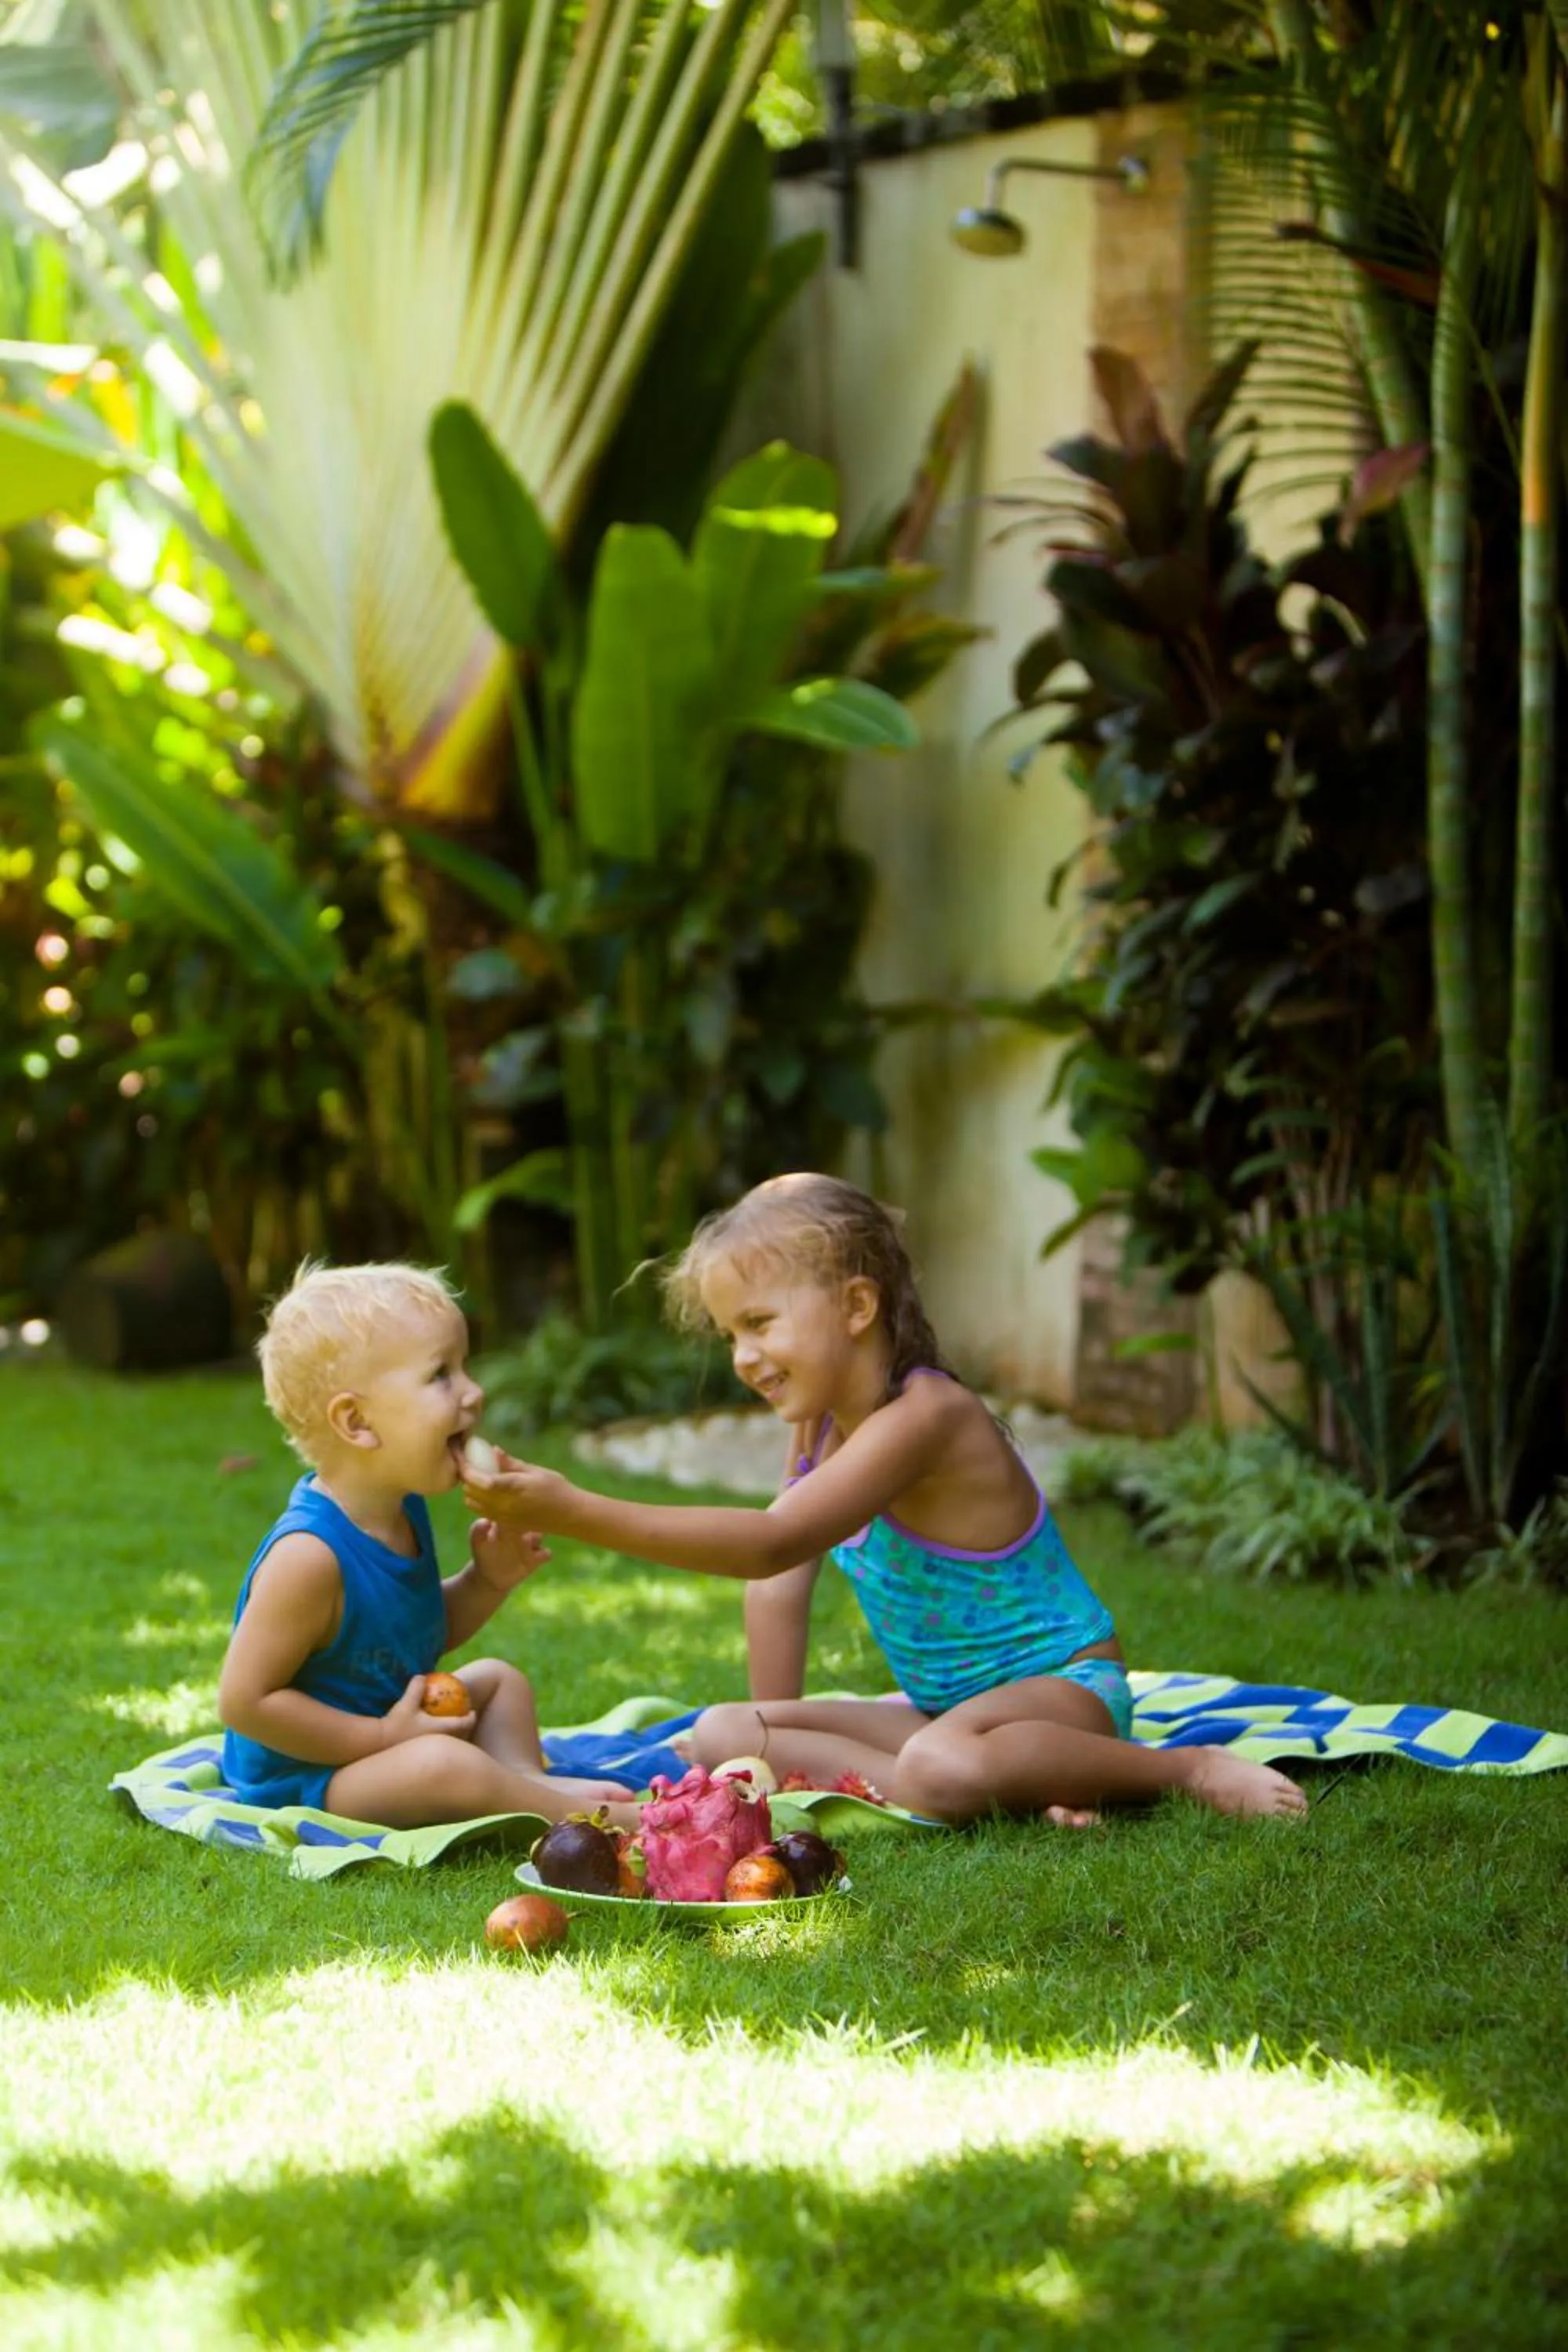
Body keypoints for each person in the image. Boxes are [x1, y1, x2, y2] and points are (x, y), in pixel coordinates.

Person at [463, 1174, 1308, 1827]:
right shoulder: (820, 1425)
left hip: (1062, 1692)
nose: (742, 1357)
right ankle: (1014, 1788)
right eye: (729, 1335)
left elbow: (769, 1542)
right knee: (723, 1730)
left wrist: (570, 1508)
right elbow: (778, 1582)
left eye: (759, 1323)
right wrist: (765, 1743)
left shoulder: (928, 1417)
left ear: (857, 1306)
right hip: (946, 1716)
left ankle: (1181, 1770)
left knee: (939, 1765)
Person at [218, 1260, 636, 1829]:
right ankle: (581, 1815)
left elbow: (410, 1636)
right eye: (442, 1375)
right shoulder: (308, 1558)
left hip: (392, 1737)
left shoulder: (403, 1509)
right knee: (443, 1765)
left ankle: (524, 1781)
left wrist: (485, 1581)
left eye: (465, 1367)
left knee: (500, 1681)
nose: (474, 1392)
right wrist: (382, 1736)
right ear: (357, 1421)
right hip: (310, 1776)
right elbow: (245, 1702)